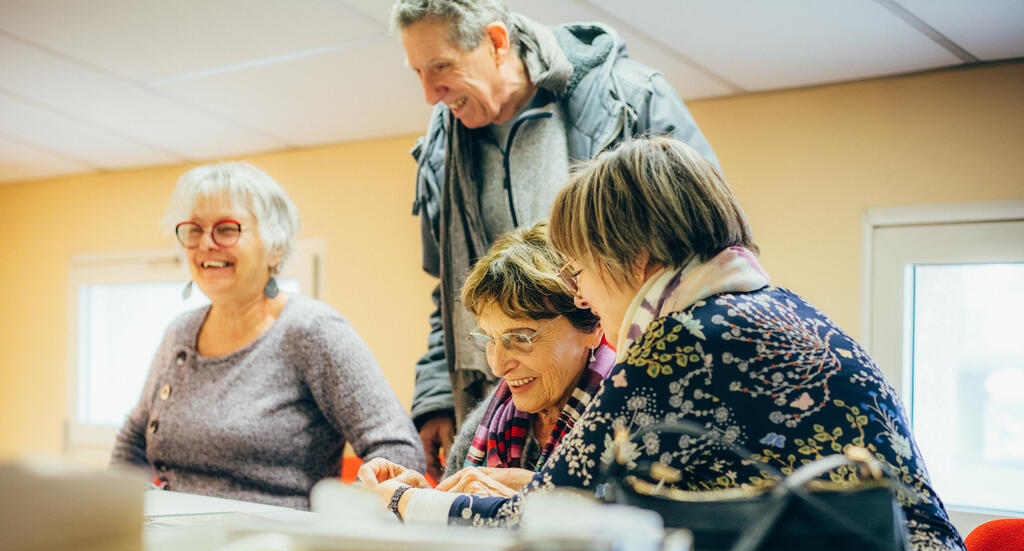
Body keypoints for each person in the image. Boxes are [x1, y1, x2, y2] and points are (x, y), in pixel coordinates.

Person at [363, 136, 993, 551]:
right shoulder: (785, 311)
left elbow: (545, 521)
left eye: (580, 272)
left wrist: (401, 500)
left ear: (635, 259)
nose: (580, 295)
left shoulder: (681, 342)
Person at [390, 0, 719, 481]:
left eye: (441, 66)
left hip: (626, 376)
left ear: (497, 42)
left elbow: (703, 252)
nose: (428, 94)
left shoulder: (629, 98)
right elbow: (449, 286)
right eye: (418, 72)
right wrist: (437, 393)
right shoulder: (443, 145)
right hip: (507, 399)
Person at [110, 161, 424, 510]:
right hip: (172, 534)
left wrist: (339, 521)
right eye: (194, 230)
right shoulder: (179, 333)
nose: (206, 244)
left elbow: (400, 452)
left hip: (277, 540)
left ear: (275, 246)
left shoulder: (312, 330)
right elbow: (132, 442)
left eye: (226, 229)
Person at [361, 221, 612, 500]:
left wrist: (540, 490)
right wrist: (423, 499)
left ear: (593, 326)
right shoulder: (490, 418)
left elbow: (634, 516)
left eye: (520, 338)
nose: (498, 367)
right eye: (490, 339)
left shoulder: (629, 413)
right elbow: (459, 511)